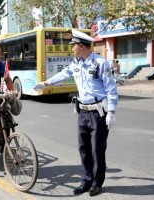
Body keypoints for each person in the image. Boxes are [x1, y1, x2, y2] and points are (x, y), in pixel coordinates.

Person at [34, 30, 118, 196]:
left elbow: (111, 88)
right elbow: (63, 74)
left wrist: (112, 112)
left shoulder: (101, 64)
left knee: (97, 150)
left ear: (81, 46)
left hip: (98, 113)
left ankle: (96, 182)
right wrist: (45, 83)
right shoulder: (77, 63)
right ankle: (86, 180)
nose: (71, 48)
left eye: (73, 45)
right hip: (83, 112)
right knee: (83, 148)